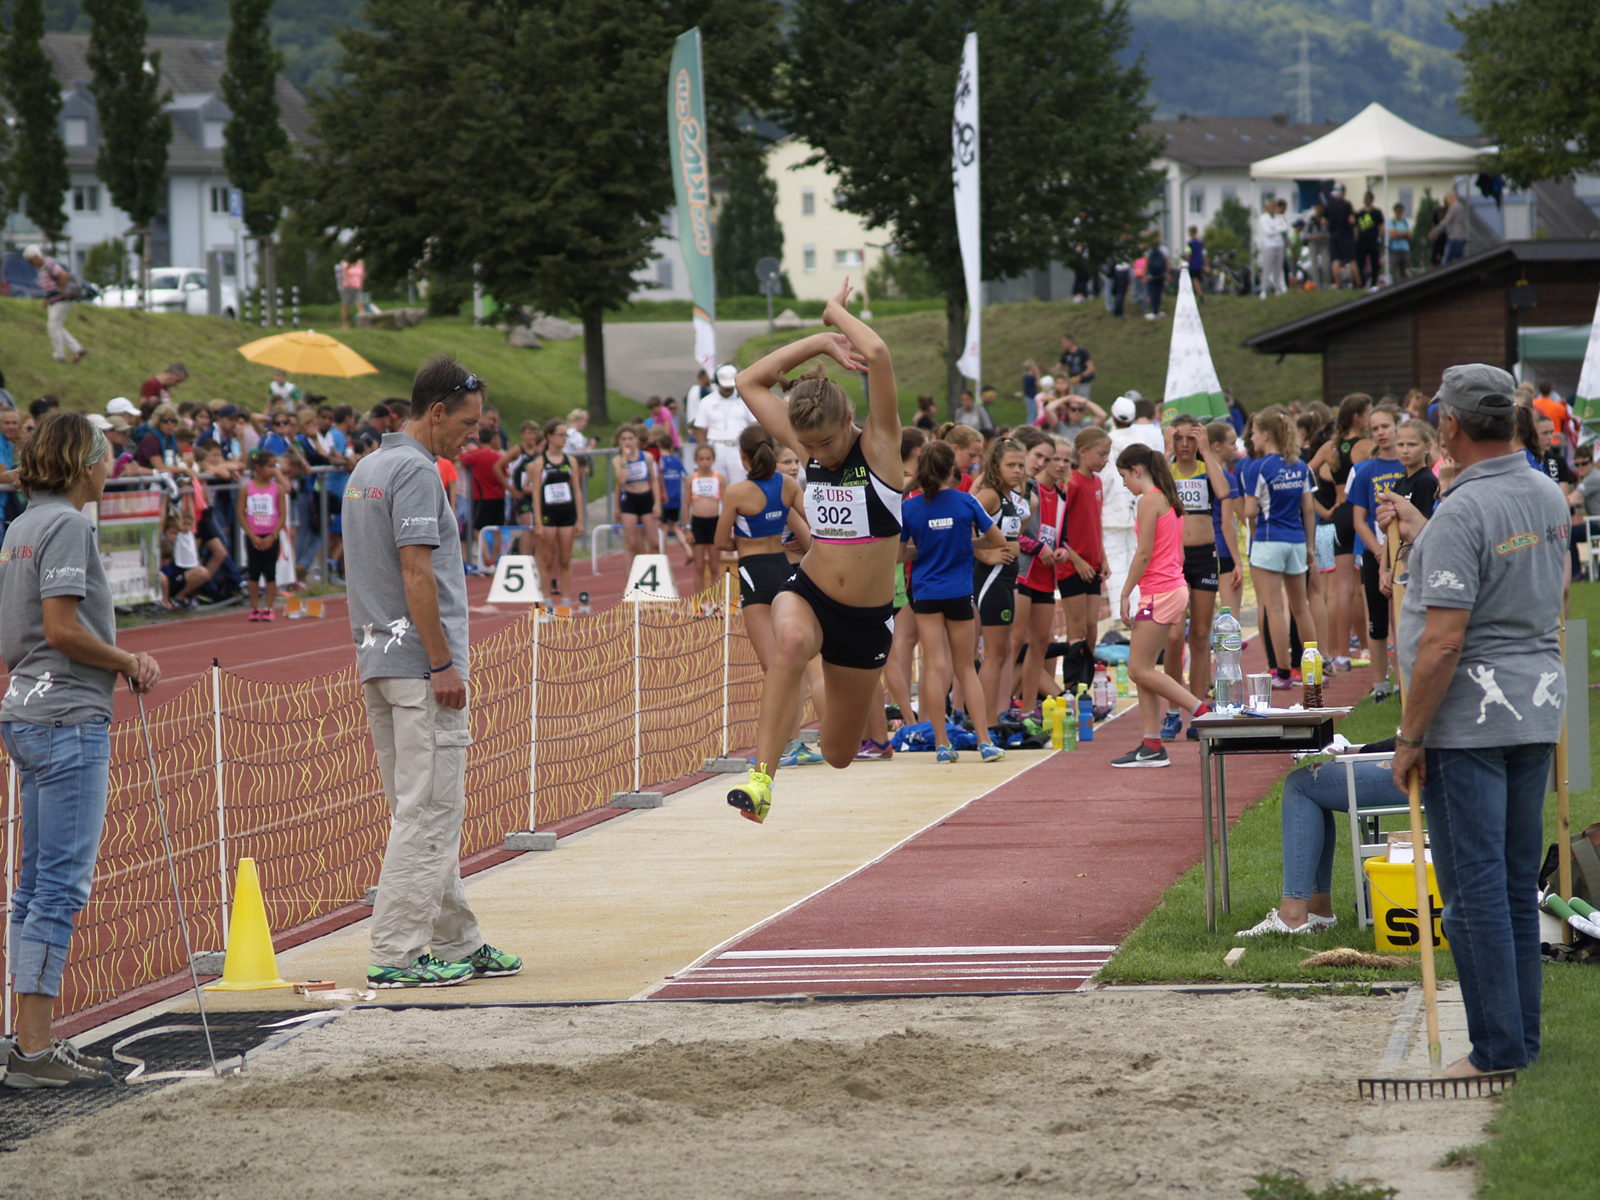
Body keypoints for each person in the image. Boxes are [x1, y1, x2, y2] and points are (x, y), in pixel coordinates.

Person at [1384, 363, 1569, 1076]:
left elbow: (1443, 641)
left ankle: (1496, 1050)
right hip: (1534, 705)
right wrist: (1425, 530)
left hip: (1470, 720)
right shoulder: (1543, 490)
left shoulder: (1465, 508)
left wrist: (1410, 736)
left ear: (1451, 424)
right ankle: (1519, 1043)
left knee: (1474, 893)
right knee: (1515, 887)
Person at [342, 355, 521, 989]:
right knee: (430, 813)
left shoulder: (367, 467)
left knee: (416, 809)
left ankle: (457, 940)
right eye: (468, 425)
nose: (472, 437)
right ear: (437, 412)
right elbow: (416, 572)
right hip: (421, 668)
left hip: (378, 656)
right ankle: (396, 953)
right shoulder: (417, 471)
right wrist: (442, 662)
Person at [1, 412, 161, 1086]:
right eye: (102, 455)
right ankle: (35, 1049)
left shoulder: (20, 525)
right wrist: (129, 660)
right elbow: (62, 628)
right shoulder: (66, 525)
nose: (109, 466)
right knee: (59, 886)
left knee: (33, 884)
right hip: (67, 715)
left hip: (27, 709)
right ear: (81, 462)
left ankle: (25, 1039)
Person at [724, 278, 901, 823]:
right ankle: (760, 780)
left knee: (838, 753)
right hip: (811, 591)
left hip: (866, 620)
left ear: (847, 422)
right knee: (793, 641)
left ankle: (815, 739)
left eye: (825, 442)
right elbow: (748, 380)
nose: (815, 454)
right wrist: (818, 343)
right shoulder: (807, 447)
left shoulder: (878, 447)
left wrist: (834, 317)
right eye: (807, 446)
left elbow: (877, 353)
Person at [900, 440, 1009, 763]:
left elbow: (897, 554)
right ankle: (985, 741)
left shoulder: (910, 507)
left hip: (926, 593)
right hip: (959, 591)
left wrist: (926, 547)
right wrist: (964, 543)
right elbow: (998, 540)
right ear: (952, 469)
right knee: (965, 667)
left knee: (935, 666)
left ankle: (942, 744)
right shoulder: (966, 501)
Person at [1111, 443, 1212, 768]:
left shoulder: (1149, 500)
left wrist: (1125, 593)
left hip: (1160, 591)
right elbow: (1176, 553)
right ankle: (1151, 743)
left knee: (1138, 670)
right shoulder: (1169, 498)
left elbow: (1143, 553)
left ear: (1136, 470)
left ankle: (1201, 711)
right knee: (1144, 671)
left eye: (1124, 476)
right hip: (1170, 587)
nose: (1124, 484)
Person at [715, 424, 814, 747]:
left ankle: (780, 743)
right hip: (784, 569)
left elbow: (719, 542)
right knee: (791, 663)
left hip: (754, 572)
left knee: (773, 667)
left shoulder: (736, 492)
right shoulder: (787, 484)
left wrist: (746, 541)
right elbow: (813, 521)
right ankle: (795, 740)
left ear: (743, 457)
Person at [1238, 741, 1398, 935]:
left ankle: (1292, 916)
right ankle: (1318, 909)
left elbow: (1415, 737)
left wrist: (1364, 751)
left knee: (1300, 784)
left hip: (1417, 770)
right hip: (1422, 764)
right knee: (1310, 785)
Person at [1162, 415, 1239, 741]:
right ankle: (1171, 710)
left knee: (1200, 635)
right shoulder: (1167, 468)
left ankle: (1197, 709)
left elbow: (1223, 491)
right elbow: (1155, 491)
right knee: (1173, 636)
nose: (1184, 445)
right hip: (1173, 560)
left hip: (1204, 556)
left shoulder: (1207, 468)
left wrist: (1206, 451)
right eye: (1178, 438)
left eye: (1190, 439)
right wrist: (1165, 451)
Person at [1241, 410, 1319, 688]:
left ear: (1266, 435)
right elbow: (1308, 509)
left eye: (1254, 433)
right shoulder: (1300, 465)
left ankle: (1283, 672)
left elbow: (1250, 510)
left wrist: (1251, 506)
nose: (1251, 438)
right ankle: (1313, 669)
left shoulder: (1257, 467)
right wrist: (1310, 546)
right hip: (1296, 540)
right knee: (1301, 607)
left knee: (1274, 608)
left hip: (1268, 539)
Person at [1347, 406, 1407, 700]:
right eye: (1375, 429)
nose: (1381, 433)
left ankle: (1404, 680)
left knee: (1404, 617)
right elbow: (1359, 519)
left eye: (1386, 426)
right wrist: (1380, 553)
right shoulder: (1365, 471)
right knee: (1378, 620)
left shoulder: (1409, 466)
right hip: (1377, 554)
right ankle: (1380, 683)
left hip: (1406, 552)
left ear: (1396, 426)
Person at [971, 437, 1028, 728]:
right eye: (1011, 465)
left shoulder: (1009, 496)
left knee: (1002, 653)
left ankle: (991, 717)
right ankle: (986, 722)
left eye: (1020, 465)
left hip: (1006, 579)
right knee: (993, 655)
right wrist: (985, 554)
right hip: (990, 579)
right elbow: (960, 525)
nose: (1017, 470)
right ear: (995, 466)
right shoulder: (989, 495)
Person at [1059, 427, 1110, 694]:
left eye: (1107, 454)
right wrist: (1076, 559)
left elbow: (1094, 523)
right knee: (1077, 629)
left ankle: (1084, 684)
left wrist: (1104, 557)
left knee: (1092, 629)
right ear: (1083, 452)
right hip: (1072, 566)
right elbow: (1060, 527)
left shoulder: (1097, 482)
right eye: (1101, 454)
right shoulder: (1072, 483)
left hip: (1093, 565)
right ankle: (1071, 687)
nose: (1105, 460)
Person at [529, 418, 583, 597]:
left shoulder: (571, 461)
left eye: (566, 435)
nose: (564, 438)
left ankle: (565, 605)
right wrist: (537, 521)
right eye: (561, 435)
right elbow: (536, 493)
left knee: (565, 560)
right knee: (547, 561)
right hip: (548, 515)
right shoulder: (540, 463)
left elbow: (577, 491)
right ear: (550, 436)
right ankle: (546, 602)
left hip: (567, 514)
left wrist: (580, 519)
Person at [237, 449, 286, 621]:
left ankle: (269, 608)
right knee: (254, 572)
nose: (273, 470)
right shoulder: (247, 488)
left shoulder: (277, 489)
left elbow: (282, 514)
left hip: (270, 536)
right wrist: (251, 535)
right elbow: (241, 513)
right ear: (258, 467)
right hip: (254, 536)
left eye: (274, 466)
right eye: (269, 466)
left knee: (270, 572)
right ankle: (254, 608)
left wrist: (273, 535)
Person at [693, 364, 757, 485]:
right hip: (715, 448)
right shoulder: (706, 402)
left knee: (740, 484)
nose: (728, 389)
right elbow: (701, 429)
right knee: (716, 484)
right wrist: (702, 452)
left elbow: (754, 425)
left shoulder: (744, 400)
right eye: (725, 386)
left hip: (738, 447)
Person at [23, 245, 86, 365]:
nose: (31, 264)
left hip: (60, 299)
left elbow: (63, 275)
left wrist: (61, 290)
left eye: (31, 261)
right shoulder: (42, 268)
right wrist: (47, 299)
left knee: (52, 326)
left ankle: (59, 355)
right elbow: (49, 285)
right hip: (54, 299)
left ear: (36, 256)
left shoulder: (48, 264)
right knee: (57, 326)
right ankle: (77, 349)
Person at [613, 425, 661, 558]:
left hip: (646, 497)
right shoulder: (617, 460)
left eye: (630, 438)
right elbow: (621, 480)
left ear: (636, 440)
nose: (627, 442)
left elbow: (654, 480)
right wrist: (625, 459)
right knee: (631, 544)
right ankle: (630, 571)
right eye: (624, 439)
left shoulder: (647, 457)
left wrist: (657, 503)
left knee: (654, 543)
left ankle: (655, 568)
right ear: (619, 441)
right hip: (629, 499)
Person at [686, 443, 726, 593]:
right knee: (699, 566)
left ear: (713, 460)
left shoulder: (719, 478)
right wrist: (688, 528)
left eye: (708, 458)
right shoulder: (691, 479)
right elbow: (686, 505)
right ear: (696, 460)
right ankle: (699, 601)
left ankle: (716, 601)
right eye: (701, 459)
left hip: (714, 523)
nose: (705, 462)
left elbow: (725, 504)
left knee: (715, 565)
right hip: (697, 524)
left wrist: (726, 527)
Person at [1430, 191, 1469, 264]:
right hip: (1461, 238)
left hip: (1454, 238)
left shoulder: (1453, 207)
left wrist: (1434, 232)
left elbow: (1445, 222)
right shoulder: (1461, 207)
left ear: (1451, 198)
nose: (1447, 203)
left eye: (1447, 200)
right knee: (1459, 261)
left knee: (1446, 261)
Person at [338, 259, 367, 328]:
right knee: (346, 306)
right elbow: (344, 275)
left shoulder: (360, 264)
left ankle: (364, 324)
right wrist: (349, 283)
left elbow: (362, 275)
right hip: (348, 288)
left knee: (360, 304)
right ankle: (345, 324)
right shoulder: (346, 264)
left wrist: (361, 283)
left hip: (358, 288)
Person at [1386, 203, 1412, 281]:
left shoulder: (1405, 222)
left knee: (1405, 271)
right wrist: (1404, 234)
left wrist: (1399, 234)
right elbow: (1394, 235)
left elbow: (1410, 235)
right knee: (1393, 271)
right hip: (1395, 249)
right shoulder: (1391, 222)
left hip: (1405, 249)